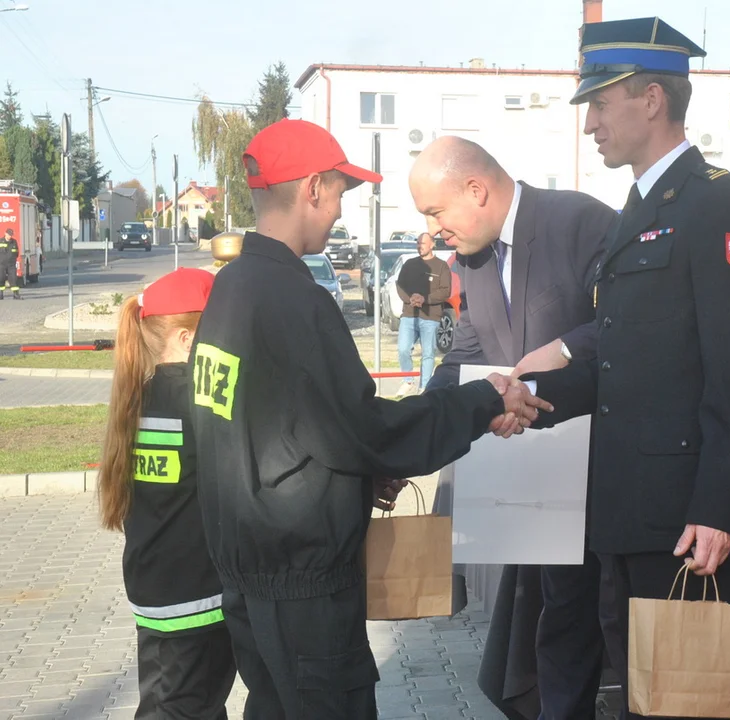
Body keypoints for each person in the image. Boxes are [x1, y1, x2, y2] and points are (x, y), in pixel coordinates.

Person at [189, 118, 552, 720]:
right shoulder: (293, 299)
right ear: (311, 188)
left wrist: (354, 478)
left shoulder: (231, 290)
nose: (338, 212)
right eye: (338, 193)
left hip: (249, 575)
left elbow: (277, 430)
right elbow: (366, 431)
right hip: (303, 586)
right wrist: (482, 398)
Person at [519, 18, 730, 720]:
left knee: (679, 703)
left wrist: (718, 506)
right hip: (631, 505)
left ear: (652, 99)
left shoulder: (718, 203)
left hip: (686, 515)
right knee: (643, 692)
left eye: (600, 105)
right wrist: (526, 395)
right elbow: (626, 358)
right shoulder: (641, 206)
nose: (590, 125)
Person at [411, 135, 617, 720]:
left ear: (476, 189)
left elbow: (637, 320)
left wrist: (568, 349)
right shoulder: (471, 260)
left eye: (435, 212)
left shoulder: (579, 221)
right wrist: (418, 421)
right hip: (533, 473)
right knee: (555, 616)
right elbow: (466, 354)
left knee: (599, 619)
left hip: (604, 462)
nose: (434, 229)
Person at [97, 268, 236, 718]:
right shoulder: (200, 401)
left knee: (174, 706)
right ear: (186, 338)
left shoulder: (140, 399)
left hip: (156, 590)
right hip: (200, 597)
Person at [395, 232, 451, 395]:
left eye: (423, 244)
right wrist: (410, 299)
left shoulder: (441, 266)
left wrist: (425, 299)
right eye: (418, 244)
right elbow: (400, 285)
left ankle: (424, 387)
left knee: (428, 353)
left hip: (431, 317)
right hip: (409, 314)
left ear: (432, 244)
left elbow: (445, 291)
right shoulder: (409, 264)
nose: (420, 246)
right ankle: (408, 381)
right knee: (403, 348)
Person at [0, 228, 19, 299]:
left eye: (11, 235)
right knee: (1, 278)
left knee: (13, 279)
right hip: (1, 264)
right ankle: (0, 294)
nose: (10, 236)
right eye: (9, 235)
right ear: (5, 233)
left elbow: (17, 253)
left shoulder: (14, 242)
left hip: (11, 264)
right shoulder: (0, 241)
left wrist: (12, 260)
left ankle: (16, 294)